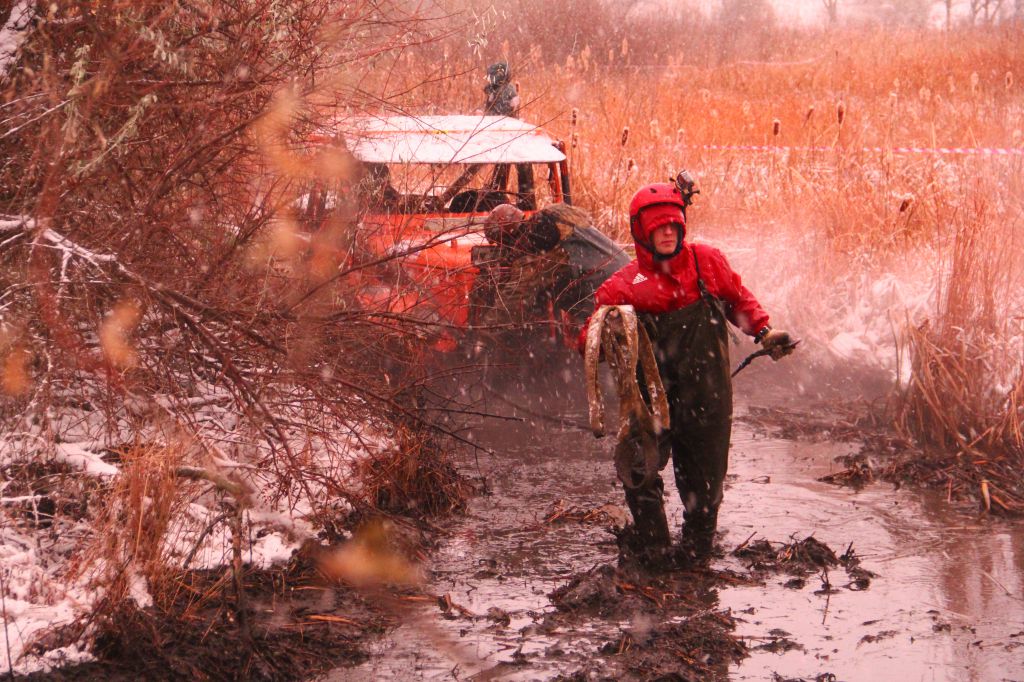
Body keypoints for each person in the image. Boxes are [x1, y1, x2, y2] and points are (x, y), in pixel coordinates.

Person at [578, 181, 794, 561]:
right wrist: (609, 333)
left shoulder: (706, 262)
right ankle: (654, 548)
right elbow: (588, 342)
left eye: (673, 226)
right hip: (650, 401)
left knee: (705, 482)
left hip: (707, 395)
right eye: (658, 228)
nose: (667, 233)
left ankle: (697, 553)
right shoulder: (624, 286)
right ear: (641, 233)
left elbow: (737, 300)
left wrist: (764, 331)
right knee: (638, 470)